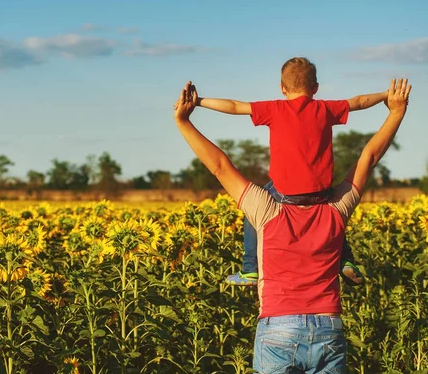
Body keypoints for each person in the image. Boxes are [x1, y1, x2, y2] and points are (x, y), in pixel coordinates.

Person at [174, 78, 411, 373]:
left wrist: (184, 121)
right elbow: (369, 157)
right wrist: (395, 112)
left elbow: (220, 165)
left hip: (278, 330)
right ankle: (347, 261)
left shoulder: (264, 210)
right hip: (329, 328)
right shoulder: (337, 209)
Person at [194, 57, 389, 286]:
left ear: (282, 88)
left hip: (285, 194)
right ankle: (345, 260)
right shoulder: (325, 108)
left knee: (251, 210)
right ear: (315, 88)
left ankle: (250, 269)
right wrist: (386, 95)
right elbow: (359, 101)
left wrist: (199, 101)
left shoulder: (274, 108)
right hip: (322, 194)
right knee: (335, 214)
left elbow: (234, 106)